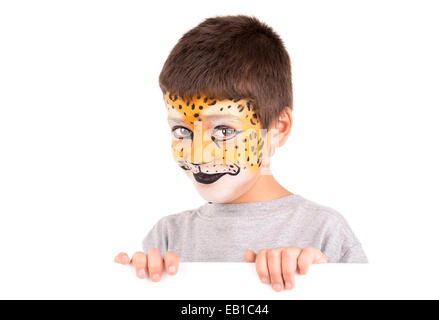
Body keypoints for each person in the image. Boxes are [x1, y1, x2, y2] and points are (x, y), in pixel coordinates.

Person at [115, 14, 368, 292]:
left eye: (224, 131)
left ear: (278, 129)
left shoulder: (324, 233)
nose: (198, 156)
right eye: (182, 131)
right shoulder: (166, 238)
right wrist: (131, 286)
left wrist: (322, 284)